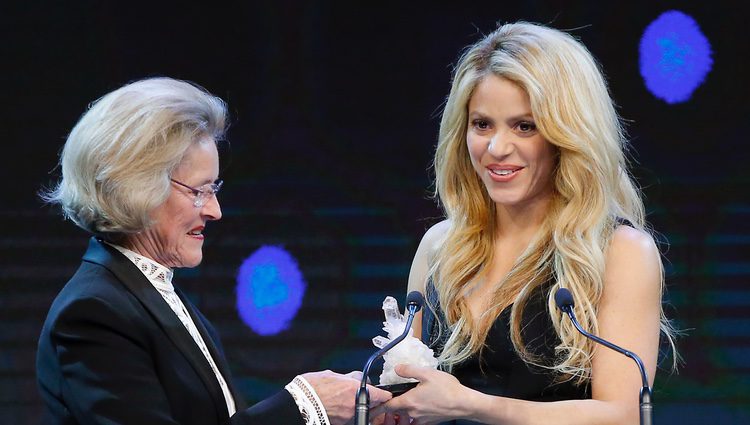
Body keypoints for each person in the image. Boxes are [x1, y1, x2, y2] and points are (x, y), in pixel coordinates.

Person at [37, 77, 391, 425]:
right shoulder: (94, 313)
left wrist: (339, 409)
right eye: (199, 191)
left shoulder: (150, 294)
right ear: (137, 187)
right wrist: (302, 405)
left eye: (214, 189)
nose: (215, 210)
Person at [373, 22, 678, 424]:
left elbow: (623, 415)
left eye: (524, 126)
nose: (497, 148)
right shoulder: (438, 246)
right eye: (482, 124)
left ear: (567, 134)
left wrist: (471, 404)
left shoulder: (620, 251)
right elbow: (408, 389)